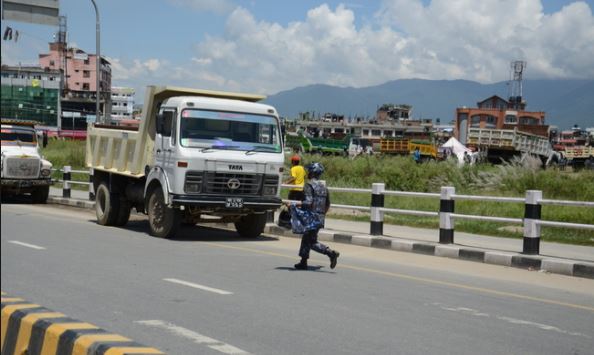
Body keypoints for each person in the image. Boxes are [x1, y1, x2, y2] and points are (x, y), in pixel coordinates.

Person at [289, 162, 340, 270]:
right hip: (320, 217)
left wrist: (294, 204)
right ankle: (303, 262)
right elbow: (328, 204)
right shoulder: (324, 187)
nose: (307, 173)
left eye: (309, 171)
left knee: (311, 242)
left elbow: (308, 202)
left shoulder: (309, 185)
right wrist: (321, 215)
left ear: (312, 173)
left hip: (311, 217)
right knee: (307, 238)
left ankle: (330, 253)